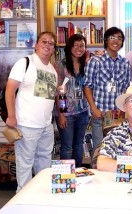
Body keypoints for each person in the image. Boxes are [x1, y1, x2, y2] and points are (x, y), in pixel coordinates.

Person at [5, 31, 57, 192]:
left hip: (46, 126)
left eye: (51, 43)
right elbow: (9, 90)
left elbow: (45, 96)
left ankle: (40, 198)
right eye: (44, 41)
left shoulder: (52, 69)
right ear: (36, 44)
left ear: (54, 48)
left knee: (44, 164)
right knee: (25, 165)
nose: (47, 45)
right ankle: (23, 201)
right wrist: (11, 116)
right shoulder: (25, 63)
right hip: (26, 125)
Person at [84, 27, 132, 156]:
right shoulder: (95, 61)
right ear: (106, 40)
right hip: (100, 113)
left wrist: (126, 110)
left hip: (118, 115)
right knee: (100, 149)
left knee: (119, 149)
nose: (116, 41)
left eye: (119, 38)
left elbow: (126, 88)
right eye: (112, 37)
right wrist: (93, 109)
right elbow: (87, 86)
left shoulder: (125, 63)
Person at [54, 34, 89, 167]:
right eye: (75, 45)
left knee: (79, 146)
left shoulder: (86, 65)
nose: (79, 48)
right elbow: (59, 92)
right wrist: (62, 114)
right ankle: (66, 177)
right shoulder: (60, 65)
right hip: (66, 114)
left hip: (83, 112)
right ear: (69, 47)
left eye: (82, 45)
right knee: (67, 147)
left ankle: (78, 174)